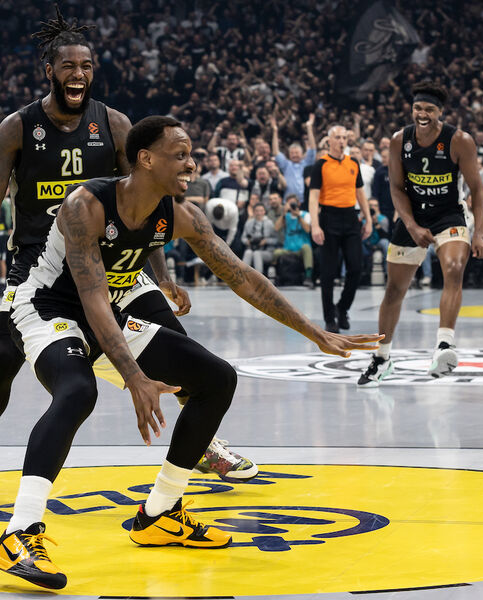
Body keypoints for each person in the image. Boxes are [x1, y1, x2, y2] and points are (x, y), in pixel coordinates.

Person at [0, 116, 383, 590]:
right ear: (145, 159)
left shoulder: (180, 214)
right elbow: (92, 296)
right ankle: (20, 532)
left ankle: (160, 513)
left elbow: (242, 276)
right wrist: (134, 377)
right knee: (78, 391)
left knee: (216, 378)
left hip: (107, 308)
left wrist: (314, 332)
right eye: (180, 155)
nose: (192, 164)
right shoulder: (86, 205)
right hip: (44, 305)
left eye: (191, 155)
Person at [0, 7, 256, 483]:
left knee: (175, 341)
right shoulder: (17, 128)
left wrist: (162, 276)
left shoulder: (114, 124)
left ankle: (204, 443)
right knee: (2, 364)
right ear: (49, 70)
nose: (79, 74)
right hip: (39, 268)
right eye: (69, 66)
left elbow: (146, 201)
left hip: (113, 260)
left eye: (86, 66)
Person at [357, 80, 483, 386]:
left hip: (448, 215)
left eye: (429, 109)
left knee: (454, 269)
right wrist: (412, 226)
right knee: (394, 290)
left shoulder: (459, 141)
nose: (422, 114)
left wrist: (479, 233)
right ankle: (381, 359)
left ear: (440, 112)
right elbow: (396, 188)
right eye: (418, 108)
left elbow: (478, 190)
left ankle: (444, 345)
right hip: (412, 216)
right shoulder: (398, 140)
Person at [309, 125, 372, 333]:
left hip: (350, 217)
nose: (342, 141)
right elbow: (313, 197)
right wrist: (315, 225)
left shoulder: (353, 163)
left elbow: (360, 193)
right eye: (337, 137)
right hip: (329, 218)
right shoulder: (321, 164)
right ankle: (329, 318)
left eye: (344, 137)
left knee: (356, 268)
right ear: (329, 140)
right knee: (328, 272)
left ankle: (342, 307)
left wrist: (368, 219)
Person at [271, 113, 316, 199]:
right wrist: (275, 131)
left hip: (305, 201)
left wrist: (309, 128)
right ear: (289, 155)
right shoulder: (286, 165)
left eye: (297, 153)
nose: (294, 155)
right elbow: (276, 151)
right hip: (289, 200)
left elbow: (313, 148)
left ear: (302, 154)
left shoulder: (307, 163)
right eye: (292, 153)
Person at [274, 195, 314, 287]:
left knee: (307, 248)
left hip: (301, 248)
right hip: (288, 248)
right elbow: (276, 228)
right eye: (289, 203)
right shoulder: (286, 216)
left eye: (293, 203)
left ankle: (308, 277)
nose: (291, 205)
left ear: (298, 203)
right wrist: (283, 214)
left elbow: (308, 230)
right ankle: (275, 276)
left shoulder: (305, 214)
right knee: (276, 252)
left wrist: (298, 216)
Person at [241, 203, 278, 275]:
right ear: (254, 212)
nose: (259, 213)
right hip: (252, 248)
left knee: (256, 253)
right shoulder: (249, 223)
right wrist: (247, 241)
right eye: (257, 211)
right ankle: (243, 276)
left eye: (261, 211)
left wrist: (266, 241)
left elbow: (276, 240)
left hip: (266, 251)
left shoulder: (270, 223)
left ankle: (259, 277)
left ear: (264, 212)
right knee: (248, 252)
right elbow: (243, 237)